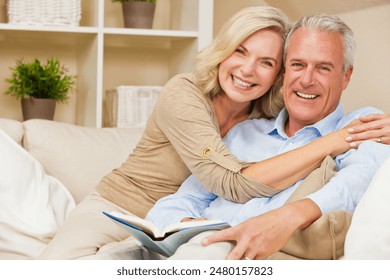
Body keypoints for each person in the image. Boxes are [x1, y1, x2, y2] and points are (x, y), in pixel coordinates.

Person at [36, 7, 386, 259]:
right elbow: (222, 186)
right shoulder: (189, 96)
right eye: (241, 52)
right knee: (63, 266)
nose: (248, 70)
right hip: (125, 209)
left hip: (202, 241)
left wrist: (287, 215)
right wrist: (334, 140)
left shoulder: (349, 124)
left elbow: (357, 182)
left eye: (266, 62)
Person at [142, 12, 390, 260]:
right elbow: (175, 204)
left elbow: (356, 183)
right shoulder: (245, 132)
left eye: (323, 68)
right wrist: (194, 226)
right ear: (284, 73)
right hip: (197, 245)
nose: (306, 80)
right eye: (297, 65)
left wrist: (287, 217)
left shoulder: (363, 124)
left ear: (345, 76)